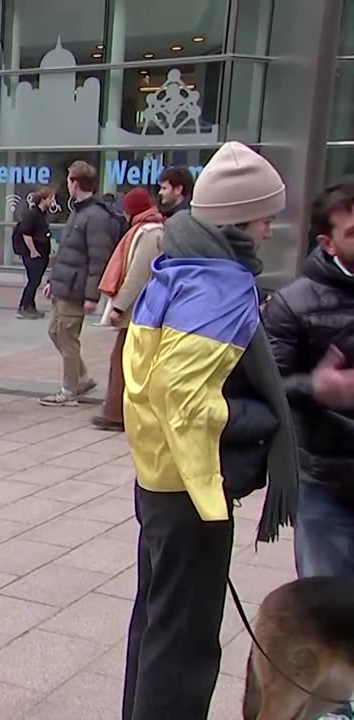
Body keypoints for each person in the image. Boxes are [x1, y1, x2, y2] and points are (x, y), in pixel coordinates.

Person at [121, 141, 299, 720]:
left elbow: (143, 379)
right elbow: (183, 394)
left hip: (158, 481)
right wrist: (259, 423)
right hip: (188, 491)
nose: (270, 231)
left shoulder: (176, 267)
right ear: (238, 219)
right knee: (185, 644)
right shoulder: (218, 283)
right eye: (265, 217)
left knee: (156, 625)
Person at [263, 183, 354, 579]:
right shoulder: (292, 304)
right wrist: (315, 388)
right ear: (328, 243)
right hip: (327, 482)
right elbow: (267, 387)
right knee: (330, 612)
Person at [39, 160, 114, 407]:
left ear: (75, 183)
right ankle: (80, 378)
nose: (66, 185)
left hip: (76, 288)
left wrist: (92, 296)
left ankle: (69, 390)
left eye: (69, 180)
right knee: (55, 332)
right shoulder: (79, 211)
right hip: (65, 285)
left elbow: (98, 258)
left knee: (67, 337)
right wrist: (53, 280)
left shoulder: (95, 216)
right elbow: (65, 253)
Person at [94, 188, 165, 432]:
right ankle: (119, 411)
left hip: (137, 310)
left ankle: (117, 413)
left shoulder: (148, 232)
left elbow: (138, 273)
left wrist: (119, 306)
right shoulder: (149, 229)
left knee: (123, 360)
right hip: (143, 309)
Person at [14, 186, 54, 319]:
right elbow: (26, 233)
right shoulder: (32, 214)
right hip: (33, 252)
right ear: (43, 199)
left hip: (42, 251)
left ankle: (31, 305)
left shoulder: (42, 214)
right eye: (50, 198)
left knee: (35, 280)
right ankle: (24, 305)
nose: (52, 201)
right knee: (34, 280)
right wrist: (32, 250)